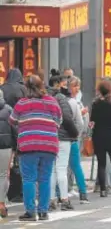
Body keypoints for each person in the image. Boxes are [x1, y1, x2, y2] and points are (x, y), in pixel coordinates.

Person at [9, 75, 62, 221]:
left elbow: (12, 120)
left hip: (28, 145)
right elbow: (59, 120)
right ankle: (43, 211)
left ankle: (30, 212)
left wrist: (26, 123)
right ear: (42, 86)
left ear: (26, 87)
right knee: (45, 178)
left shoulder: (22, 103)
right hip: (49, 145)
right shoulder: (52, 101)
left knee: (29, 179)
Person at [48, 76, 78, 211]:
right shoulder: (61, 98)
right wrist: (74, 133)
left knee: (52, 170)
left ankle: (51, 199)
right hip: (63, 136)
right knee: (61, 169)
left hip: (49, 137)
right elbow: (67, 117)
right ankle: (64, 199)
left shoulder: (45, 98)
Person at [66, 76, 90, 204]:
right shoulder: (74, 102)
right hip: (73, 137)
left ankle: (79, 191)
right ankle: (81, 192)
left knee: (69, 166)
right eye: (75, 86)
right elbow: (79, 122)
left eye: (78, 86)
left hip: (69, 137)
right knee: (73, 165)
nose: (77, 88)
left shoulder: (72, 101)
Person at [0, 89, 13, 218]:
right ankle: (2, 203)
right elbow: (15, 128)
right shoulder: (9, 109)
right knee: (3, 175)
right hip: (5, 146)